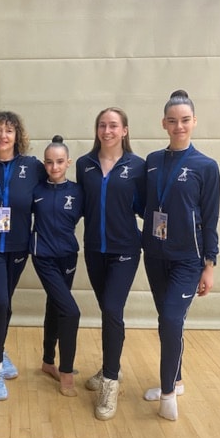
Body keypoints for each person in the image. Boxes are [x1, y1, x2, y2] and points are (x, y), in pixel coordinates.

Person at [142, 90, 220, 421]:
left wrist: (209, 266)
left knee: (172, 320)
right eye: (172, 121)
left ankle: (168, 393)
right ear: (164, 123)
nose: (179, 127)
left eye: (185, 120)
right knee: (167, 320)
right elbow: (144, 204)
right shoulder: (152, 161)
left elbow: (210, 219)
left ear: (194, 122)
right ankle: (176, 378)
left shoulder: (206, 166)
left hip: (188, 259)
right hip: (155, 255)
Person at [0, 111, 46, 401]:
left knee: (6, 302)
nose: (3, 136)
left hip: (18, 244)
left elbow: (47, 195)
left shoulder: (33, 167)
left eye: (9, 131)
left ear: (17, 136)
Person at [76, 107, 145, 420]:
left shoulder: (138, 167)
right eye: (102, 125)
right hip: (94, 250)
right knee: (108, 311)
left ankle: (110, 383)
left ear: (124, 130)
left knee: (113, 310)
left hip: (125, 251)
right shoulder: (84, 165)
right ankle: (109, 367)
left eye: (114, 125)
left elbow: (147, 207)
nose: (107, 131)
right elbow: (78, 204)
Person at [30, 136, 84, 397]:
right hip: (43, 257)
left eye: (60, 162)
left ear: (68, 162)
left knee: (56, 305)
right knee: (71, 312)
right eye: (49, 162)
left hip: (68, 258)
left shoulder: (77, 192)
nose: (54, 167)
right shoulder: (35, 191)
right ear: (44, 163)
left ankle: (47, 361)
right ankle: (66, 371)